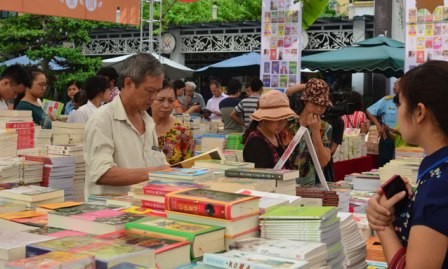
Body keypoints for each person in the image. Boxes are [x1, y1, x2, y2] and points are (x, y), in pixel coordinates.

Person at [366, 60, 448, 269]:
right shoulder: (437, 170)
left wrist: (382, 225)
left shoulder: (439, 185)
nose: (398, 112)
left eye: (400, 103)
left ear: (419, 112)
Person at [84, 53, 169, 198]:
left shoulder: (147, 121)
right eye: (149, 91)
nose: (154, 97)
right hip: (109, 214)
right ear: (128, 83)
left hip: (143, 209)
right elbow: (102, 173)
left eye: (157, 91)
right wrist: (156, 172)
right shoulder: (102, 119)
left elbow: (159, 163)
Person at [281, 78, 332, 186]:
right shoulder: (288, 122)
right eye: (315, 103)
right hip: (283, 182)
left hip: (310, 186)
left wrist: (316, 131)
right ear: (305, 101)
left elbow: (323, 162)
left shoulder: (325, 127)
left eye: (323, 105)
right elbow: (288, 92)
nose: (319, 109)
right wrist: (308, 85)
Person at [243, 90, 297, 168]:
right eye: (277, 118)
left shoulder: (275, 135)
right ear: (263, 119)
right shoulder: (256, 142)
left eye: (285, 119)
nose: (282, 124)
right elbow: (262, 175)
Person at [149, 80, 195, 165]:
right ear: (150, 99)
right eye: (160, 100)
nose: (166, 105)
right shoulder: (141, 127)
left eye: (171, 101)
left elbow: (189, 167)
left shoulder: (183, 131)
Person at [366, 79, 400, 167]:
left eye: (397, 84)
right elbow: (369, 111)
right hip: (387, 138)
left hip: (402, 139)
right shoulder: (387, 101)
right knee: (384, 165)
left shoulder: (409, 103)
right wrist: (378, 126)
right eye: (394, 84)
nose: (394, 86)